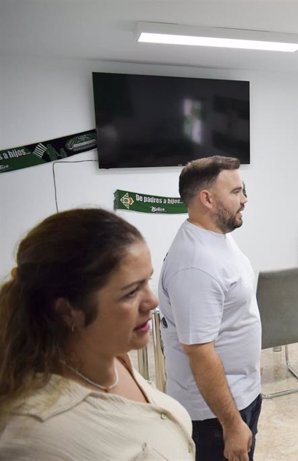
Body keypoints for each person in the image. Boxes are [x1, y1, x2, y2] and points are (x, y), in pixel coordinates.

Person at [0, 208, 194, 460]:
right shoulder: (36, 438)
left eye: (147, 280)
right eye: (130, 293)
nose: (152, 300)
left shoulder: (112, 355)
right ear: (68, 310)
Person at [159, 155, 261, 461]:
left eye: (244, 191)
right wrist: (231, 425)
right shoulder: (195, 265)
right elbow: (200, 353)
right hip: (213, 415)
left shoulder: (217, 237)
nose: (244, 200)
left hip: (240, 394)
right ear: (207, 198)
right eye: (235, 192)